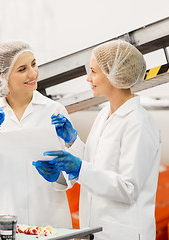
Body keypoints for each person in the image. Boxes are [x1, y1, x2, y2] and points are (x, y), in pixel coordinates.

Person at [35, 40, 162, 239]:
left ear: (114, 75)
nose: (88, 78)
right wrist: (72, 143)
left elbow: (128, 188)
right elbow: (95, 165)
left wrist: (79, 168)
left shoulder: (138, 123)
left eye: (94, 71)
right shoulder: (104, 114)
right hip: (96, 230)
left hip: (123, 233)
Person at [0, 40, 83, 228]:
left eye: (34, 64)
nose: (33, 73)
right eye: (22, 69)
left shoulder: (54, 110)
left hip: (49, 220)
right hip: (5, 221)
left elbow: (77, 172)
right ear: (2, 76)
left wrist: (58, 174)